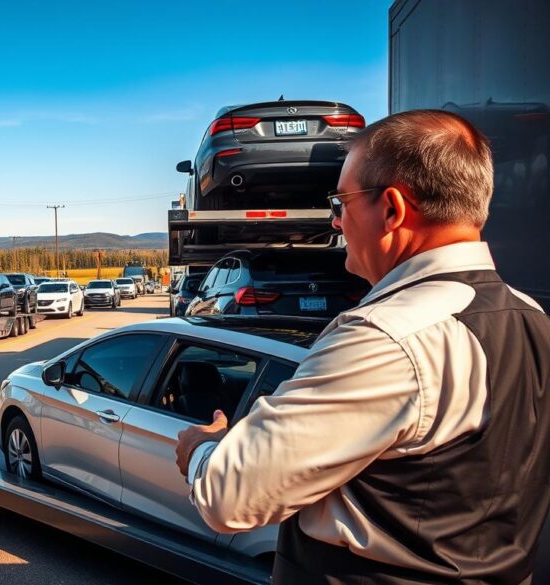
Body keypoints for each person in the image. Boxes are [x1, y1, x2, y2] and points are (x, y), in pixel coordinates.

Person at [174, 110, 550, 584]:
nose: (335, 222)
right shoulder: (531, 318)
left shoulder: (387, 335)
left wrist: (204, 452)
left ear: (391, 209)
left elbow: (229, 495)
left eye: (342, 202)